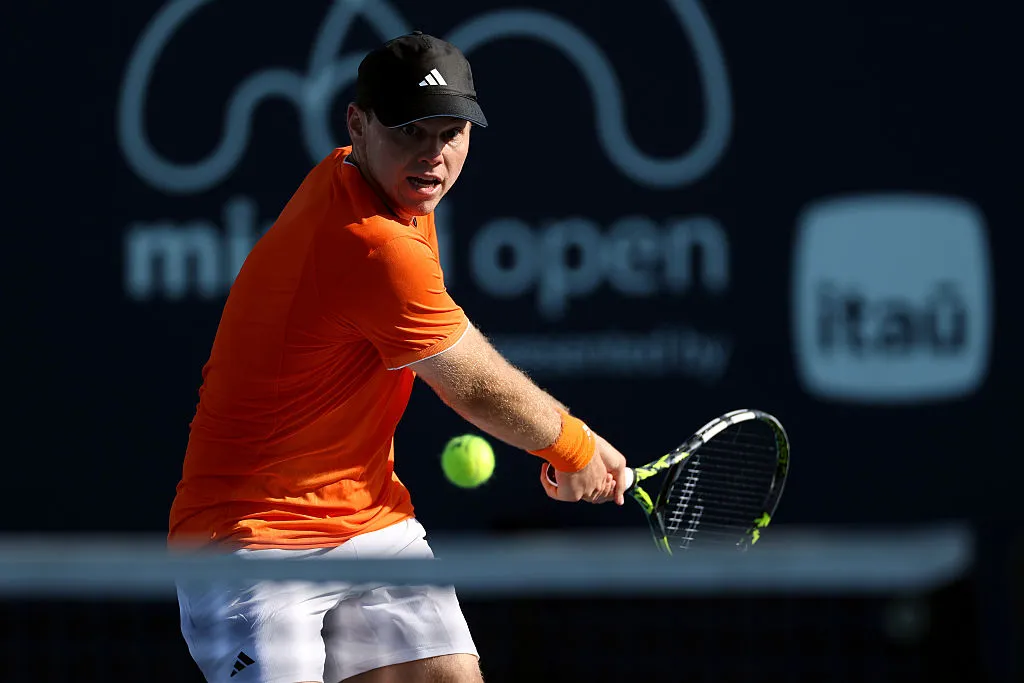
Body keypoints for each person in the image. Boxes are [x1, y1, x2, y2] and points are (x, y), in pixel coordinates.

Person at [168, 31, 629, 683]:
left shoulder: (376, 181)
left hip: (370, 519)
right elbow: (474, 385)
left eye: (451, 133)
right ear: (357, 124)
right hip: (251, 539)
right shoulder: (372, 246)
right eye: (410, 130)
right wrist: (574, 447)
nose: (433, 154)